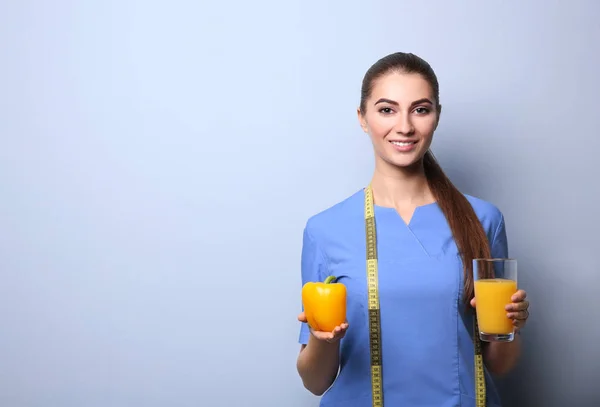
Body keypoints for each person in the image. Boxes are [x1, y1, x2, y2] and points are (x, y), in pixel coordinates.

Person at [295, 52, 530, 407]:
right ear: (362, 118)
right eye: (387, 109)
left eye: (420, 109)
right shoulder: (324, 230)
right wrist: (322, 340)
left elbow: (499, 364)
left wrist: (510, 325)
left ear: (436, 116)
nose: (404, 126)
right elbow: (315, 382)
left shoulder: (483, 219)